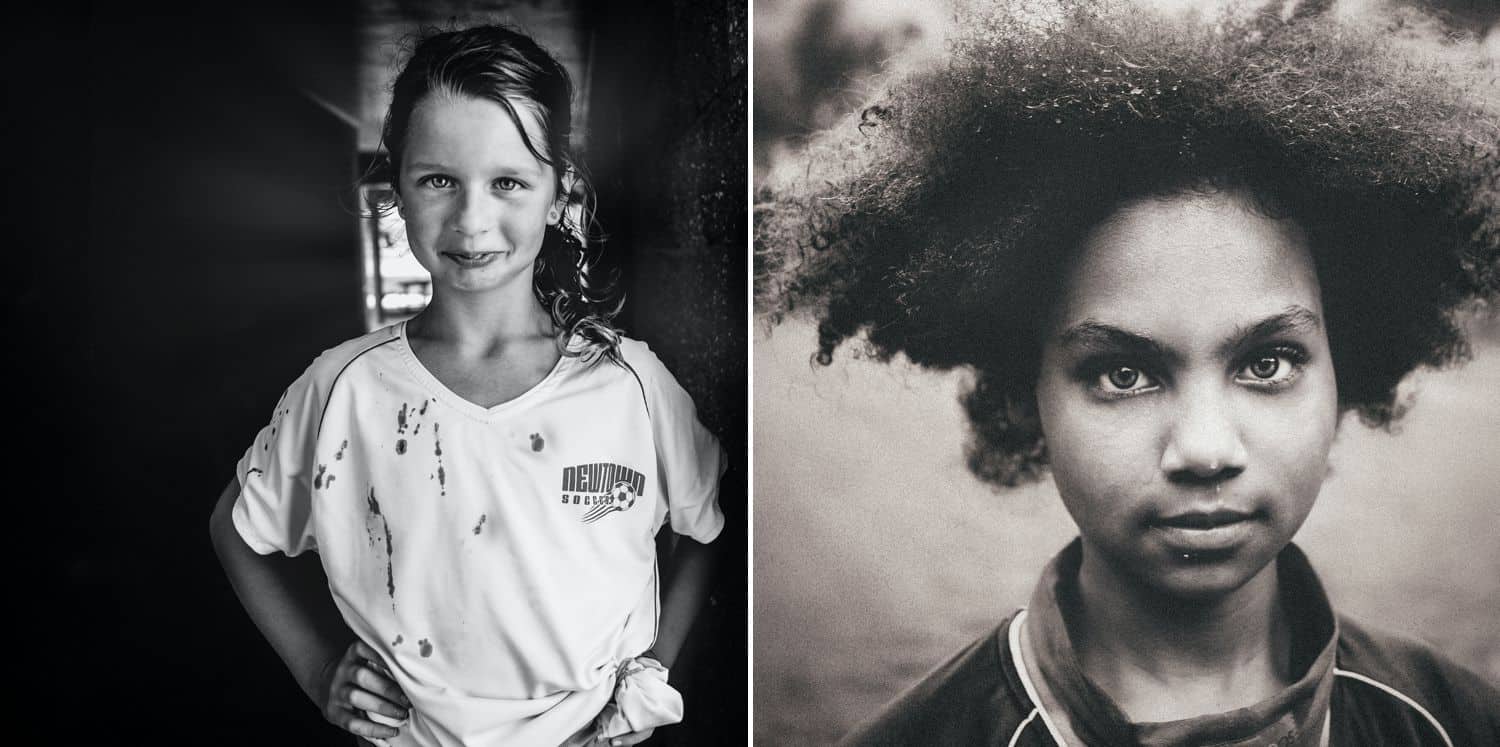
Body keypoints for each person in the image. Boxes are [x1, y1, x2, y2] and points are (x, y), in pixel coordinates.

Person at [756, 1, 1500, 744]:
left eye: (1266, 362)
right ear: (1026, 391)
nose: (1206, 450)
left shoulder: (1452, 720)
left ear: (1349, 363)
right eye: (1122, 373)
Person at [209, 25, 725, 747]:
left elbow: (707, 528)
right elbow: (236, 529)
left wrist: (652, 674)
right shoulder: (342, 391)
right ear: (398, 190)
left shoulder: (630, 384)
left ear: (559, 191)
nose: (472, 218)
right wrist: (319, 665)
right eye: (438, 179)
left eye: (508, 181)